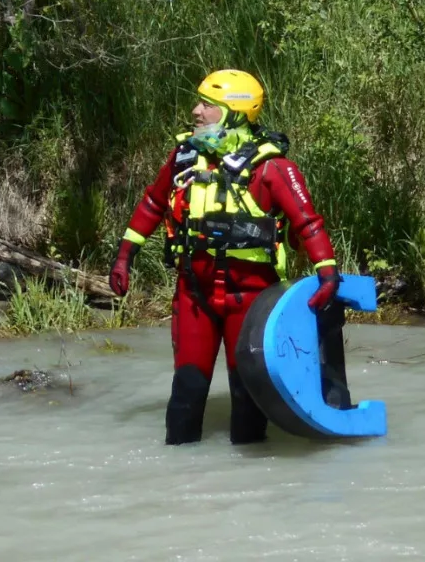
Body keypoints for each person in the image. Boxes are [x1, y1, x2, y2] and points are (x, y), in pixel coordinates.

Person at [107, 68, 341, 446]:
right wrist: (124, 256)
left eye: (207, 105)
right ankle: (181, 485)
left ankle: (247, 493)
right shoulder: (184, 158)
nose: (195, 111)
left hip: (249, 300)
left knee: (246, 399)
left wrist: (327, 273)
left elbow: (308, 223)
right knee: (186, 393)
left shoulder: (272, 168)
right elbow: (152, 202)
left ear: (233, 113)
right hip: (194, 295)